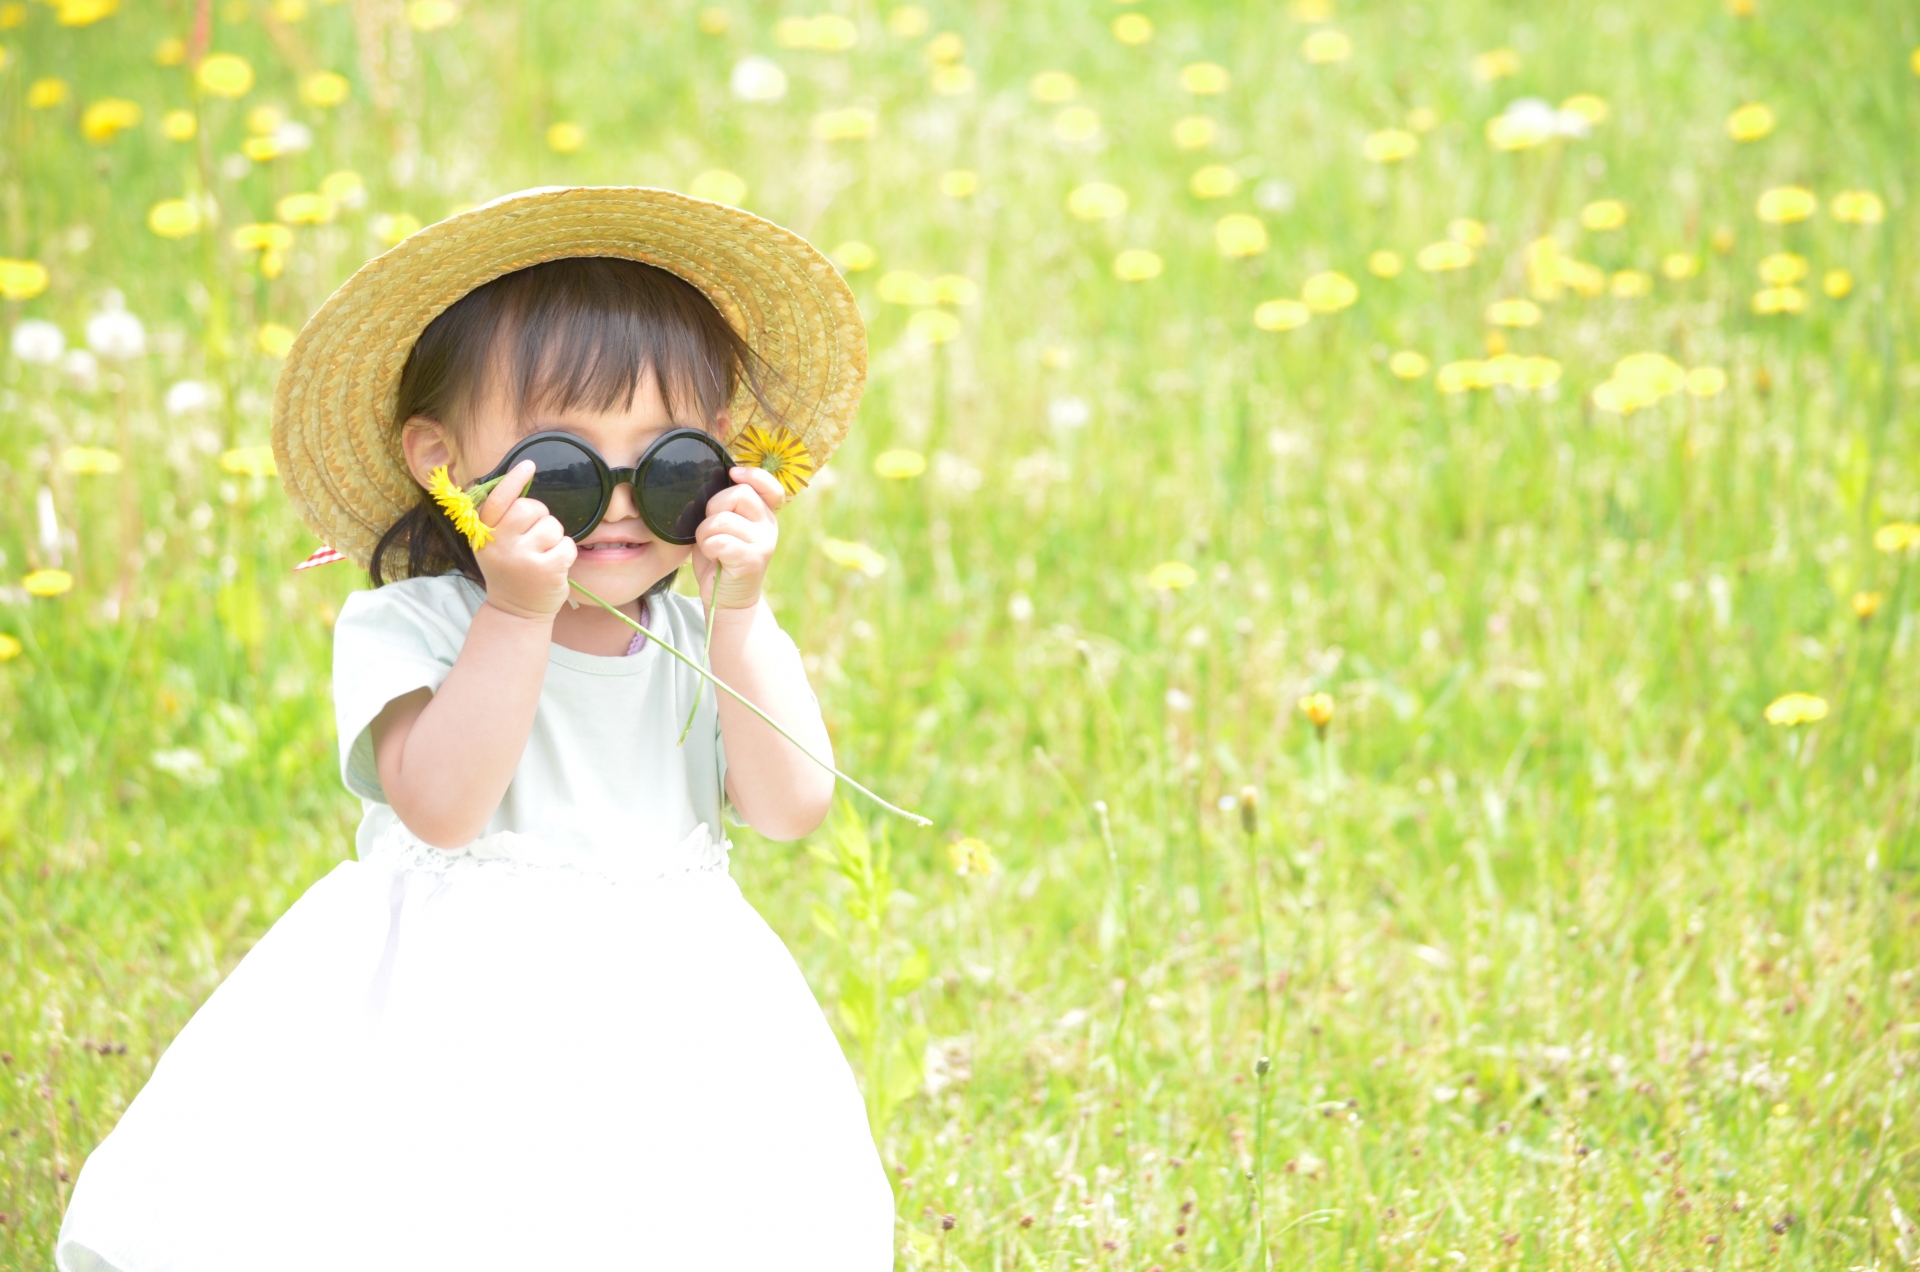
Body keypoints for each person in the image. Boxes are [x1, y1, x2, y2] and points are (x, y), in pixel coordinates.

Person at [55, 187, 893, 1271]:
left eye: (671, 462)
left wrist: (743, 610)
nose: (625, 503)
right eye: (569, 466)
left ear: (727, 452)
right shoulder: (416, 626)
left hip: (672, 1023)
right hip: (453, 1020)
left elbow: (792, 807)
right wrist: (517, 615)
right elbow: (442, 808)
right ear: (441, 461)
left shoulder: (702, 638)